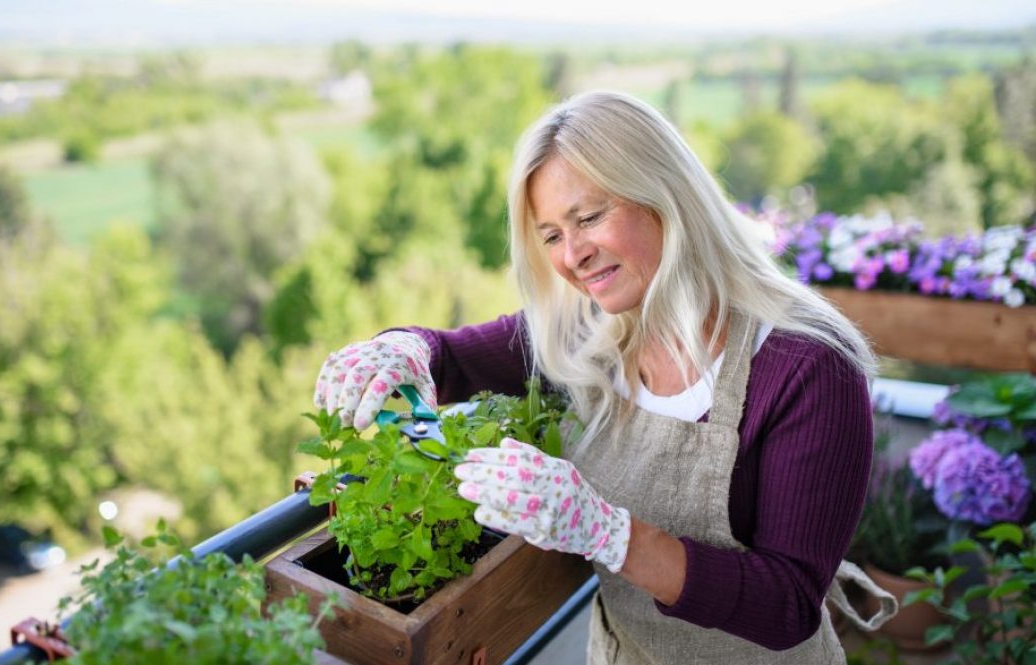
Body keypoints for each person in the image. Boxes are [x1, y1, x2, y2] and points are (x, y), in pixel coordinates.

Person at [314, 90, 895, 664]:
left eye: (589, 217)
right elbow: (453, 357)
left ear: (667, 196)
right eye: (551, 236)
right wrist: (399, 351)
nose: (572, 256)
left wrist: (610, 534)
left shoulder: (809, 365)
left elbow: (786, 606)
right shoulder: (592, 330)